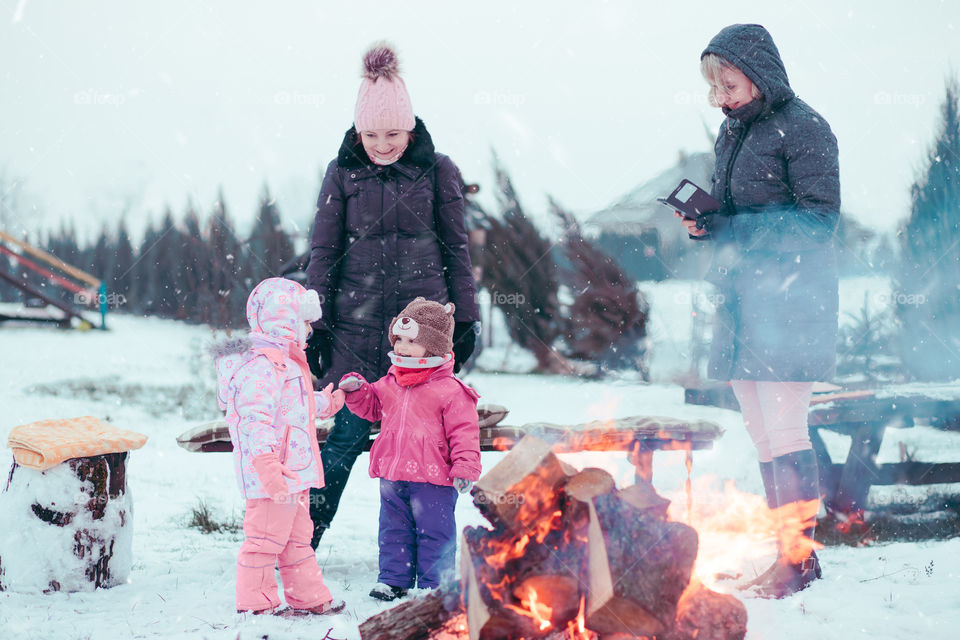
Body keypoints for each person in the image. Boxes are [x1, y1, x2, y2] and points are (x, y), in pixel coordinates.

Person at [679, 24, 840, 598]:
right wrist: (707, 224)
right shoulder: (733, 133)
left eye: (729, 82)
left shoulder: (806, 128)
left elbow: (819, 221)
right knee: (759, 430)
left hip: (791, 301)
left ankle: (798, 558)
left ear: (759, 72)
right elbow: (734, 217)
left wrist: (734, 227)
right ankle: (788, 554)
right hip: (741, 301)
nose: (721, 95)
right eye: (714, 87)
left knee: (784, 426)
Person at [305, 42, 480, 548]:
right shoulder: (342, 173)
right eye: (372, 134)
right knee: (340, 445)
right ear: (359, 132)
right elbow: (323, 250)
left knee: (428, 444)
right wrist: (314, 325)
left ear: (411, 128)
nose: (382, 144)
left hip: (422, 336)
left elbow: (457, 249)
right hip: (353, 334)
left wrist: (463, 321)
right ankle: (305, 540)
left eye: (394, 134)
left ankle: (428, 551)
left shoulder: (438, 170)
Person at [212, 277, 347, 615]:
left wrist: (326, 403)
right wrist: (268, 468)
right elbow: (254, 420)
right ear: (284, 321)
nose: (309, 331)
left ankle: (308, 596)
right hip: (273, 474)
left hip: (294, 473)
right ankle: (257, 605)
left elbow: (293, 404)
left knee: (297, 539)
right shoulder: (260, 366)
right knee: (265, 541)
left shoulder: (284, 362)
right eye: (304, 323)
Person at [337, 297, 481, 601]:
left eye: (410, 340)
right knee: (393, 529)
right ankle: (393, 578)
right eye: (398, 339)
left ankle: (435, 585)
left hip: (434, 477)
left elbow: (464, 433)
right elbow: (372, 406)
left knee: (435, 533)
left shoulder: (451, 390)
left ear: (433, 345)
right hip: (393, 472)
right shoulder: (391, 381)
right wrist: (358, 391)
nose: (401, 346)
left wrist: (465, 467)